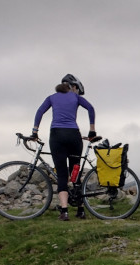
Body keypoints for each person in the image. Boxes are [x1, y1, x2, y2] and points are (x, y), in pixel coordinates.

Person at [31, 74, 97, 221]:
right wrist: (92, 130)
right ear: (73, 87)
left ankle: (65, 211)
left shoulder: (51, 98)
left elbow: (40, 112)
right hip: (74, 135)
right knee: (75, 172)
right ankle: (80, 210)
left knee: (62, 174)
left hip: (57, 136)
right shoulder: (76, 98)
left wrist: (34, 132)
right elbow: (91, 108)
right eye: (77, 89)